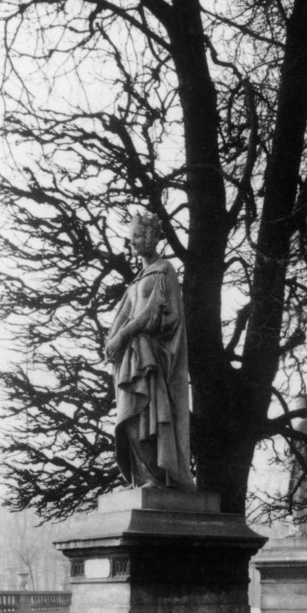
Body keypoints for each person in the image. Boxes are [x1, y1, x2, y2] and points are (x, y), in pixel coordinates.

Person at [105, 210, 195, 490]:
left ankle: (156, 476)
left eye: (137, 236)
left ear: (151, 238)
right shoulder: (137, 279)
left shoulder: (163, 269)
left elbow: (153, 313)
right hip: (134, 357)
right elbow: (127, 311)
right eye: (131, 237)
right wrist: (113, 338)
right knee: (132, 415)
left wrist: (122, 336)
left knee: (147, 414)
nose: (132, 243)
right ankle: (142, 476)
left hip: (152, 358)